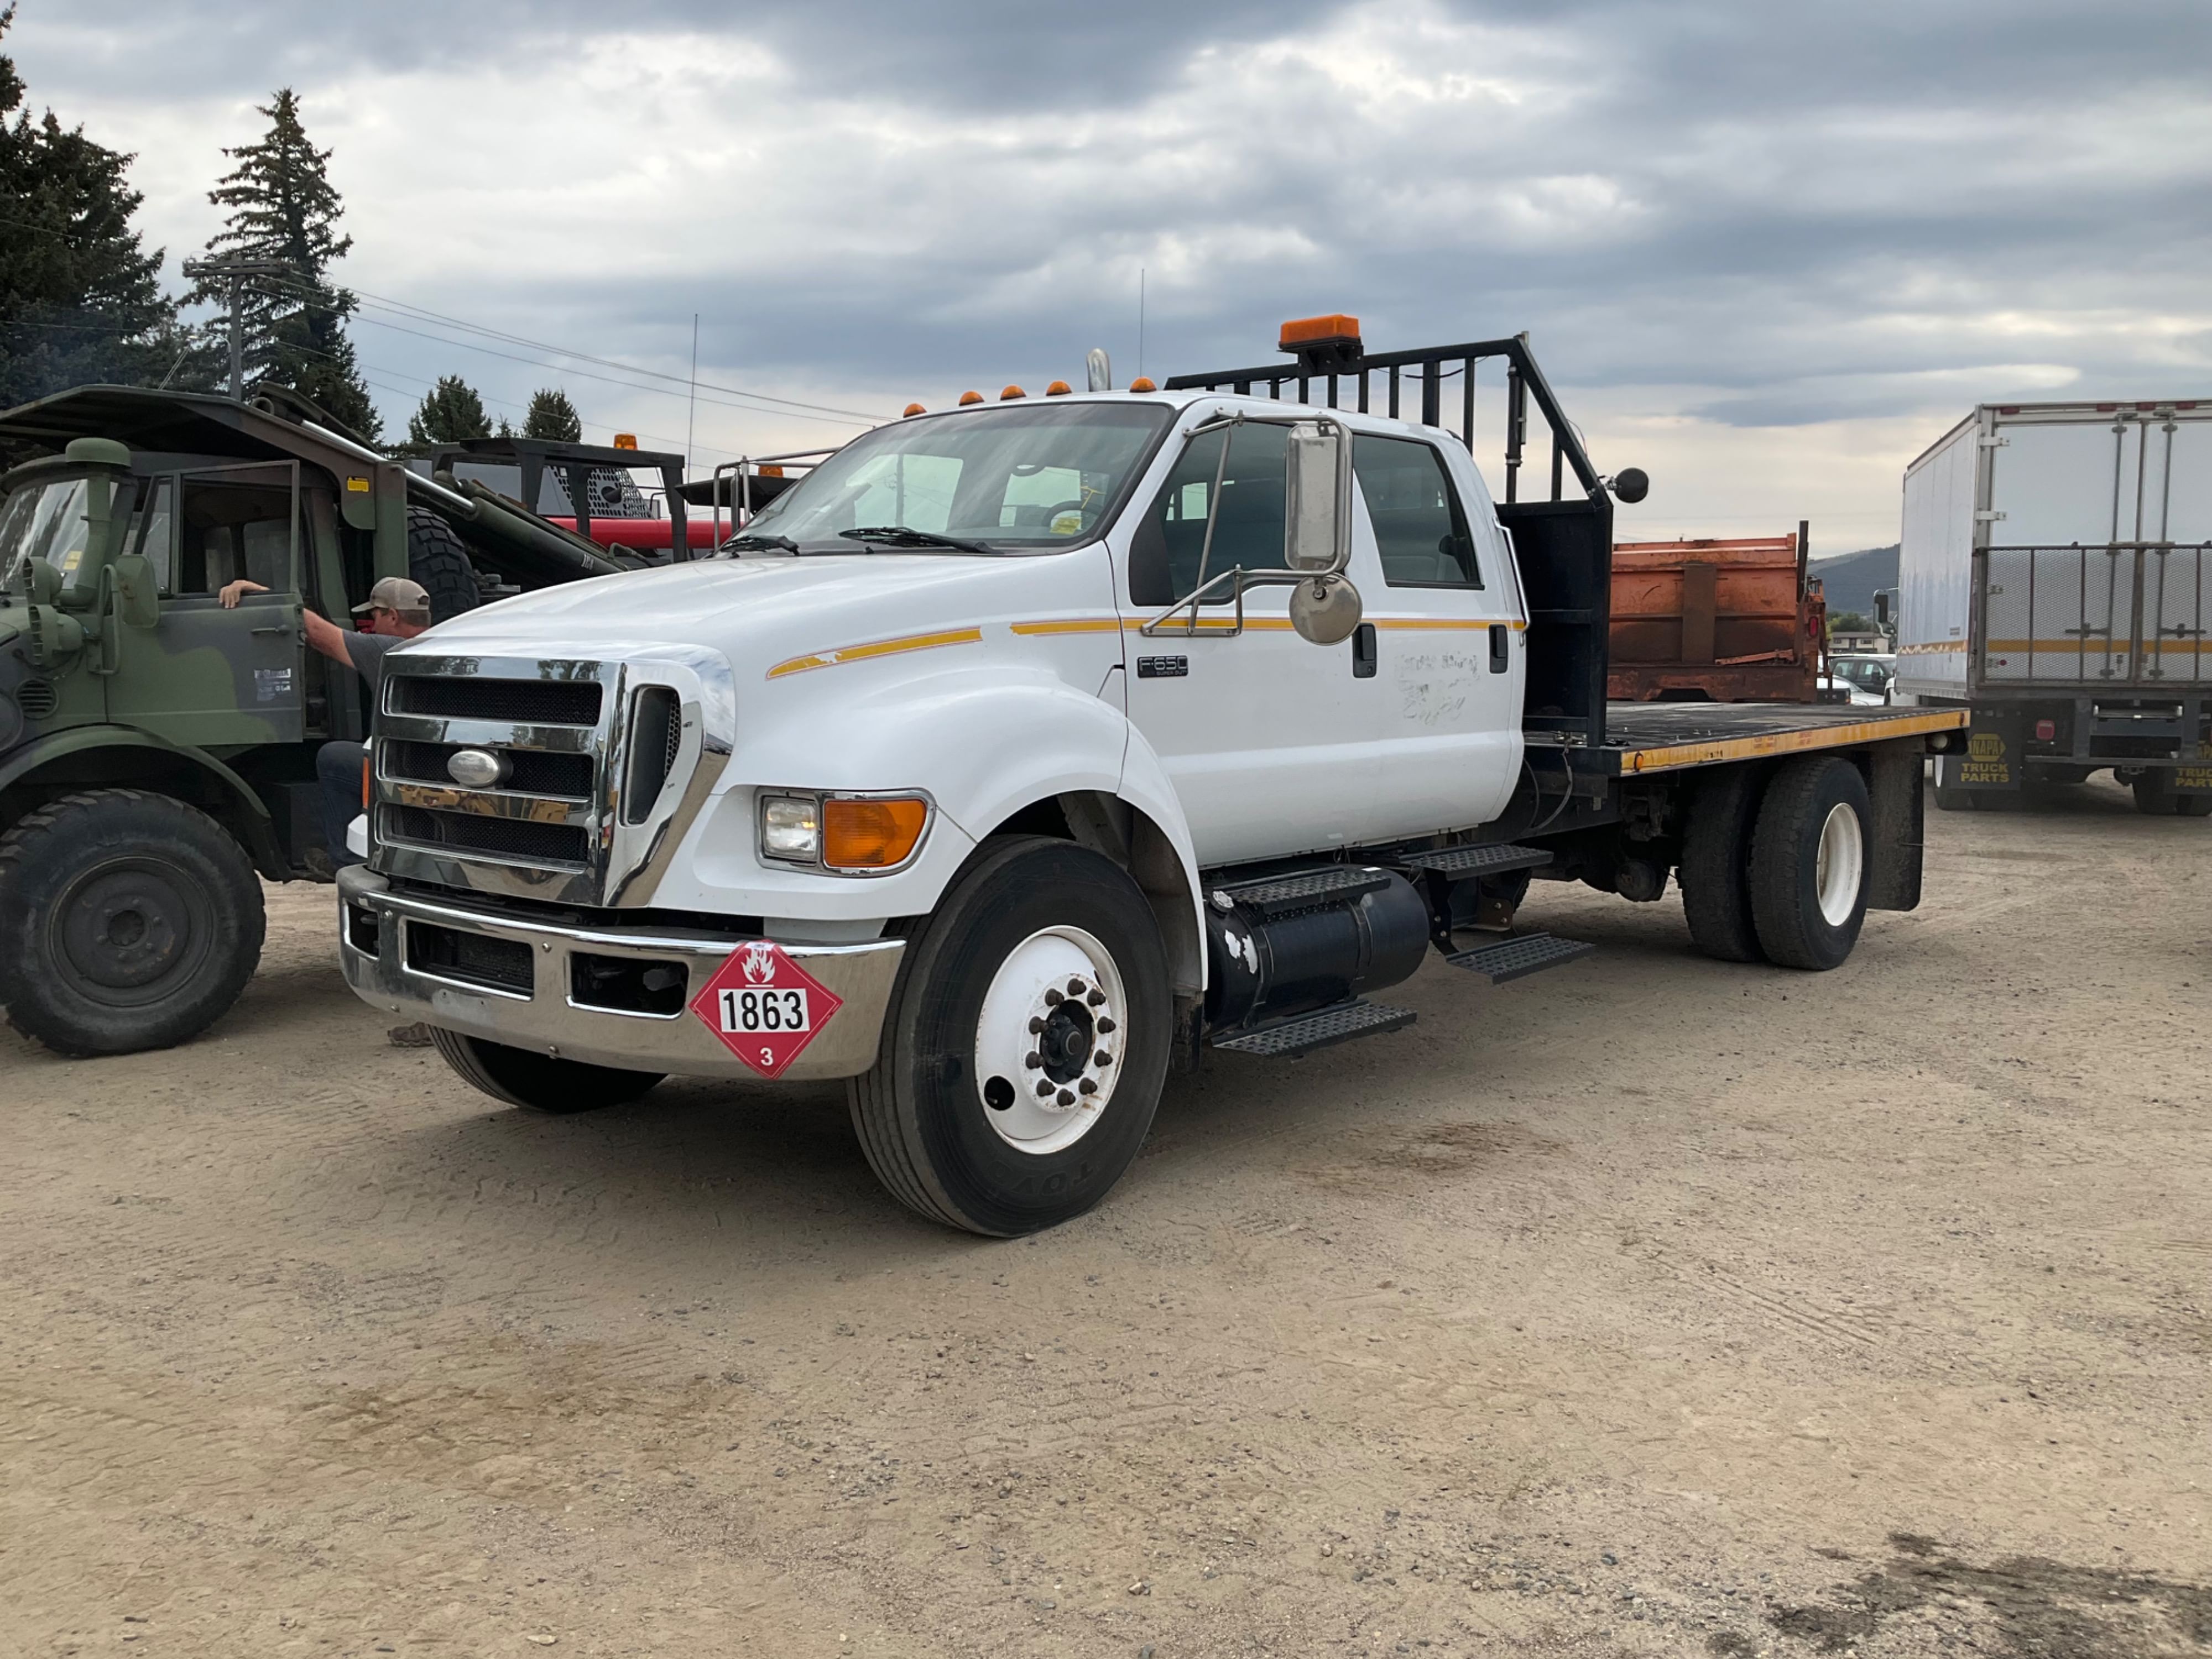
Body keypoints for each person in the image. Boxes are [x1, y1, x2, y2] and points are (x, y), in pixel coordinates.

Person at [218, 574, 433, 872]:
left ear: (393, 616)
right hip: (441, 773)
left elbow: (318, 633)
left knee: (333, 757)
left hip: (410, 775)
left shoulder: (389, 649)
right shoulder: (442, 645)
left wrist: (264, 594)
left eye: (374, 616)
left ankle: (347, 860)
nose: (370, 625)